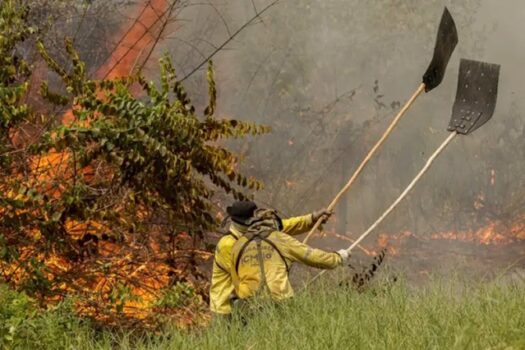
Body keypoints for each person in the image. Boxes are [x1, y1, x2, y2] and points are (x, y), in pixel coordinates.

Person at [209, 201, 349, 316]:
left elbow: (283, 227)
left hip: (249, 307)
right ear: (248, 222)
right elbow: (249, 276)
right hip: (226, 310)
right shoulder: (229, 245)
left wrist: (312, 219)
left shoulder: (255, 236)